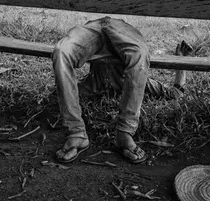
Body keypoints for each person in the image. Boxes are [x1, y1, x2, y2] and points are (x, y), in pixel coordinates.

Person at [51, 16, 189, 164]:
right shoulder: (97, 83)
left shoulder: (103, 84)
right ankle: (76, 132)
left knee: (140, 54)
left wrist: (181, 59)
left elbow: (174, 93)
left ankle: (124, 133)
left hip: (121, 29)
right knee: (61, 51)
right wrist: (182, 60)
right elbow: (177, 92)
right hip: (95, 28)